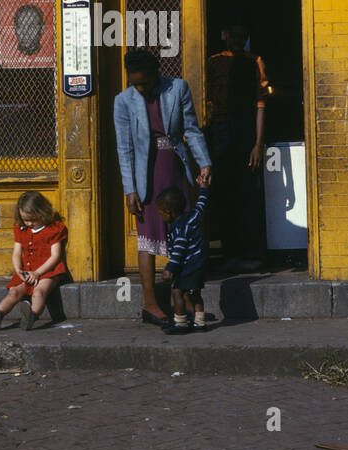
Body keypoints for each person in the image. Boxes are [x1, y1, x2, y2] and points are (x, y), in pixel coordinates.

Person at [113, 48, 212, 326]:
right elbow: (125, 148)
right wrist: (130, 189)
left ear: (157, 73)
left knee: (185, 234)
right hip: (146, 177)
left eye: (144, 82)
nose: (140, 88)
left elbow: (190, 129)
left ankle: (188, 304)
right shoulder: (123, 101)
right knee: (148, 237)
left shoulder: (177, 88)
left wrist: (204, 162)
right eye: (135, 83)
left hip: (176, 169)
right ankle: (151, 304)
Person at [204, 20, 269, 272]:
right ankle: (228, 254)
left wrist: (257, 143)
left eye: (243, 36)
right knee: (224, 194)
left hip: (245, 134)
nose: (238, 40)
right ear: (225, 34)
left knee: (248, 194)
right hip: (219, 133)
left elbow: (261, 105)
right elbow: (207, 103)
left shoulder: (255, 61)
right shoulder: (212, 62)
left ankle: (251, 254)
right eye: (234, 35)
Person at [0, 191, 68, 331]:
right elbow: (17, 252)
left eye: (33, 220)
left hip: (48, 271)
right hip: (27, 270)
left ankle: (31, 316)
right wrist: (18, 270)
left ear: (43, 213)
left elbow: (55, 256)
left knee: (39, 292)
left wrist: (37, 273)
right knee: (14, 292)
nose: (29, 223)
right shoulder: (21, 229)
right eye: (25, 220)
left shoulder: (54, 228)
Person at [159, 175, 212, 335]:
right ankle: (199, 323)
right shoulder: (192, 217)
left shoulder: (178, 229)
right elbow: (201, 204)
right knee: (195, 294)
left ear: (169, 213)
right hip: (199, 263)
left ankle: (181, 322)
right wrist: (203, 188)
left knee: (177, 292)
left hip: (187, 266)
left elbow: (178, 252)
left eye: (161, 213)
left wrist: (170, 268)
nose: (160, 216)